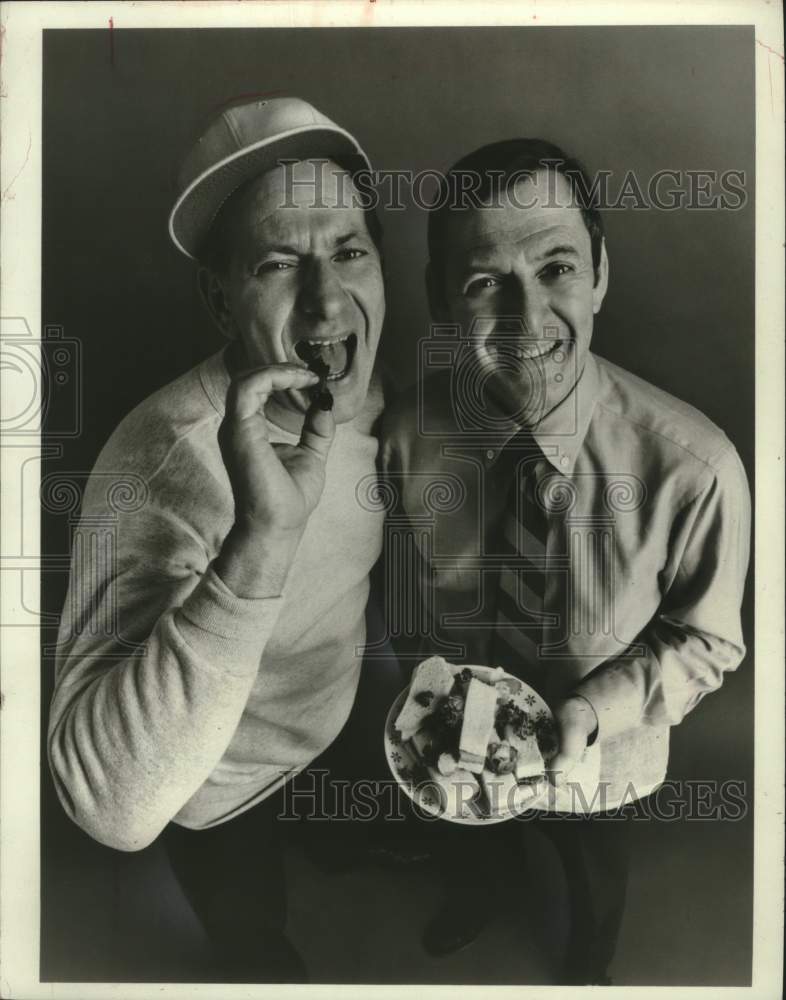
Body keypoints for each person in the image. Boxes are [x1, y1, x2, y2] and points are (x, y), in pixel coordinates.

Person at [46, 96, 402, 983]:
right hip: (218, 787)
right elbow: (108, 804)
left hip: (334, 721)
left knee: (345, 836)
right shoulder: (154, 462)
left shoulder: (369, 386)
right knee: (255, 936)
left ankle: (338, 839)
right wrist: (262, 540)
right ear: (218, 299)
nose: (327, 300)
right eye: (278, 264)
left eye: (349, 251)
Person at [380, 138, 751, 984]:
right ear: (439, 300)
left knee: (592, 863)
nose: (526, 321)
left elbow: (708, 640)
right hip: (454, 736)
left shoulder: (695, 469)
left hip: (607, 747)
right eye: (485, 283)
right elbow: (399, 586)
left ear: (601, 271)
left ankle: (587, 958)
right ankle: (482, 884)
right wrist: (429, 694)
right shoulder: (405, 438)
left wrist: (592, 709)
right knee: (473, 838)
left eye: (557, 268)